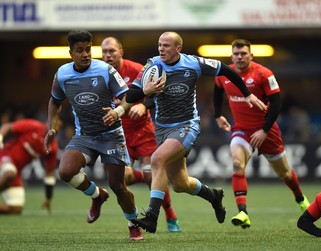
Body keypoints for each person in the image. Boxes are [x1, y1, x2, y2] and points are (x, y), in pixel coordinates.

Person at [102, 31, 267, 233]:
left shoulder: (193, 63)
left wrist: (248, 94)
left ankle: (152, 217)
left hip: (187, 125)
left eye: (166, 45)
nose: (161, 49)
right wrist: (147, 90)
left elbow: (227, 71)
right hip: (162, 128)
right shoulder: (152, 65)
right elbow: (132, 93)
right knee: (180, 183)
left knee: (156, 159)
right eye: (159, 45)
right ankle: (213, 196)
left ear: (178, 48)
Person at [43, 29, 141, 241]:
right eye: (80, 50)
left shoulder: (105, 70)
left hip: (111, 134)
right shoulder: (62, 74)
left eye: (88, 49)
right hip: (84, 135)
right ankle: (97, 195)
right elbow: (54, 100)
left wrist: (118, 111)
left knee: (118, 186)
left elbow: (129, 96)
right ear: (71, 53)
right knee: (66, 171)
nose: (86, 54)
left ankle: (133, 223)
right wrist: (51, 125)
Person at [214, 39, 310, 229]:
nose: (240, 57)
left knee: (284, 174)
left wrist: (264, 130)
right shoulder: (224, 74)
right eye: (236, 54)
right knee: (236, 163)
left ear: (251, 55)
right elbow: (217, 90)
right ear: (231, 56)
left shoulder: (263, 74)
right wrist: (218, 115)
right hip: (241, 129)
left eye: (243, 54)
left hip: (266, 131)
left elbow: (276, 104)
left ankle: (300, 198)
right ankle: (243, 212)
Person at [101, 37, 181, 233]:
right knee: (123, 179)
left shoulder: (140, 69)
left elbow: (159, 94)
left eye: (112, 51)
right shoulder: (100, 74)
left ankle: (171, 217)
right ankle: (147, 177)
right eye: (104, 52)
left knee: (152, 172)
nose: (108, 55)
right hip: (119, 134)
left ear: (121, 51)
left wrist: (143, 105)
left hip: (143, 131)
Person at [0, 118, 58, 214]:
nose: (55, 126)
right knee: (10, 174)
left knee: (16, 208)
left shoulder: (52, 147)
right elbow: (8, 127)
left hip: (16, 171)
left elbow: (49, 173)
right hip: (5, 156)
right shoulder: (34, 126)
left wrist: (48, 197)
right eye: (53, 123)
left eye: (58, 125)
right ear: (47, 122)